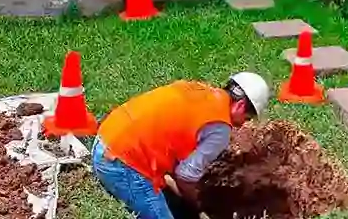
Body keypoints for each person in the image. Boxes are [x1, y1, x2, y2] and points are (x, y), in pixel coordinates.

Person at [91, 72, 271, 219]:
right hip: (120, 163)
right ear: (239, 106)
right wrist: (197, 205)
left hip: (105, 137)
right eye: (246, 119)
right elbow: (185, 177)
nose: (242, 125)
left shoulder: (198, 90)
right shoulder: (220, 129)